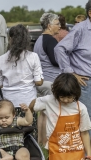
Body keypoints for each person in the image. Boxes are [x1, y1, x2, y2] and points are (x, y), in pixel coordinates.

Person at [29, 73, 91, 160]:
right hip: (56, 150)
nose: (65, 100)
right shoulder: (49, 101)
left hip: (76, 152)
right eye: (62, 97)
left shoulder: (81, 108)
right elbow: (33, 104)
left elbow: (84, 132)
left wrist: (89, 154)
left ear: (76, 93)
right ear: (56, 93)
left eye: (69, 97)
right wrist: (28, 114)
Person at [54, 0, 91, 139]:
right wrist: (70, 73)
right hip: (85, 83)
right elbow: (60, 49)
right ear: (90, 13)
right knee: (87, 121)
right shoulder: (80, 29)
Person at [0, 24, 43, 108]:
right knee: (29, 121)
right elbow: (38, 82)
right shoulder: (33, 57)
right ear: (26, 40)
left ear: (10, 39)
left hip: (8, 103)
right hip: (28, 102)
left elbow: (0, 85)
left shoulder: (1, 59)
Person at [33, 12, 61, 145]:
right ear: (49, 26)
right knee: (51, 113)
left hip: (43, 80)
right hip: (51, 80)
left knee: (43, 113)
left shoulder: (40, 39)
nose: (60, 26)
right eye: (57, 24)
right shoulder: (50, 40)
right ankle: (49, 141)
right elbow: (56, 61)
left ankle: (41, 141)